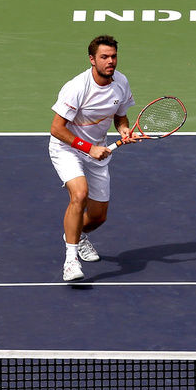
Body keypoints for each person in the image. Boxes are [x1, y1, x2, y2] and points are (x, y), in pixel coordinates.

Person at [49, 35, 137, 282]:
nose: (110, 61)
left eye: (113, 56)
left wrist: (123, 130)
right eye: (104, 57)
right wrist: (88, 148)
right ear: (92, 59)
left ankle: (75, 234)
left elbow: (121, 116)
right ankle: (71, 261)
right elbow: (56, 128)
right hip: (67, 148)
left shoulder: (121, 82)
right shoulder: (77, 87)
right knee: (80, 194)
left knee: (98, 216)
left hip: (96, 151)